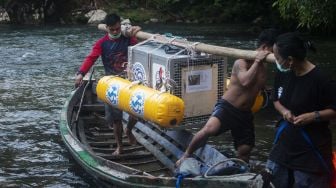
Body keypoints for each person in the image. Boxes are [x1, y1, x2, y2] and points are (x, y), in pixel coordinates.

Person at [176, 29, 280, 166]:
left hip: (245, 113)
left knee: (245, 149)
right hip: (229, 107)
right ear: (265, 47)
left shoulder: (265, 67)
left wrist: (265, 89)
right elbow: (245, 81)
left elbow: (257, 85)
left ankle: (242, 172)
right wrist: (257, 62)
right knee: (209, 129)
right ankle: (186, 155)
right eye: (274, 49)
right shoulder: (241, 62)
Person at [266, 32, 336, 187]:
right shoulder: (283, 74)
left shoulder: (321, 79)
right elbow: (275, 100)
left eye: (277, 58)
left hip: (311, 150)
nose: (275, 61)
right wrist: (284, 111)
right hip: (284, 146)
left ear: (290, 60)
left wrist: (313, 116)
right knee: (273, 180)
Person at [75, 13, 140, 155]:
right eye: (112, 30)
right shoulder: (102, 43)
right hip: (112, 83)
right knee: (116, 120)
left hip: (129, 81)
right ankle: (119, 146)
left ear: (120, 26)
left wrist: (137, 33)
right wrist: (81, 73)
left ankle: (128, 130)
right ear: (107, 28)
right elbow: (91, 58)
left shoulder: (129, 39)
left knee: (136, 113)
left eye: (117, 29)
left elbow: (142, 48)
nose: (115, 32)